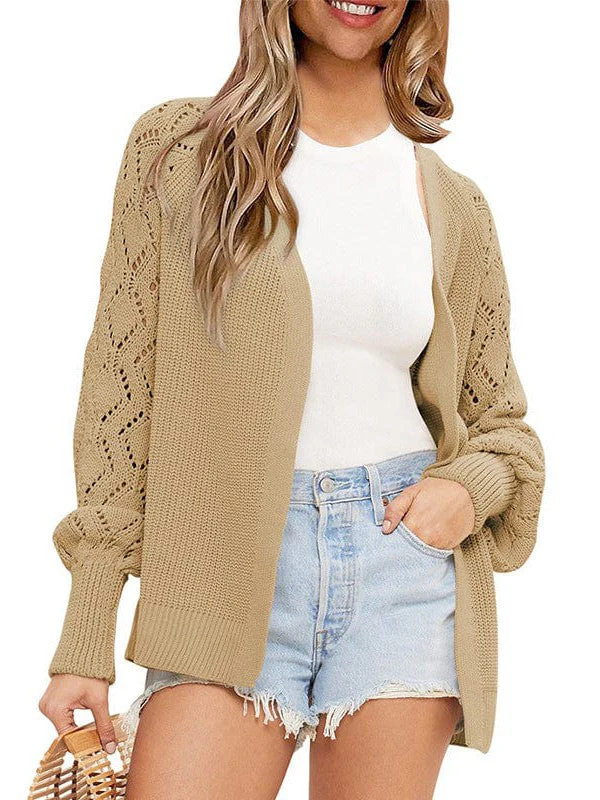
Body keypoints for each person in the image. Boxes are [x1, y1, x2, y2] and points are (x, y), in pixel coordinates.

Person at [38, 1, 545, 797]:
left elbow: (502, 426)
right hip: (221, 567)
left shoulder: (455, 206)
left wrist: (465, 490)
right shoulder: (180, 153)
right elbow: (119, 392)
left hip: (400, 566)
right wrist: (86, 631)